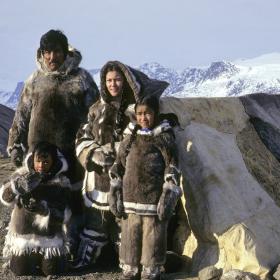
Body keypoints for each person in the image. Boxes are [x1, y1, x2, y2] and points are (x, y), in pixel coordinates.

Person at [7, 29, 99, 252]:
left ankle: (72, 245)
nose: (51, 58)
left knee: (72, 199)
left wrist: (95, 144)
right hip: (37, 155)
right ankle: (34, 246)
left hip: (71, 153)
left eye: (56, 51)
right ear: (41, 53)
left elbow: (96, 114)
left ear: (65, 53)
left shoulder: (81, 79)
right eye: (46, 52)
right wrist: (15, 144)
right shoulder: (34, 81)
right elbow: (22, 115)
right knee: (35, 197)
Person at [74, 61, 169, 269]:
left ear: (125, 81)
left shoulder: (138, 109)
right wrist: (93, 153)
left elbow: (146, 139)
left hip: (131, 177)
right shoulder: (96, 108)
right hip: (98, 178)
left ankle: (132, 263)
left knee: (127, 226)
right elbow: (82, 136)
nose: (113, 84)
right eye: (109, 80)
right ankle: (86, 261)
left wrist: (116, 150)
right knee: (95, 223)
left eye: (117, 79)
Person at [108, 96, 182, 280]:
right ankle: (130, 267)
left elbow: (172, 165)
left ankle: (151, 268)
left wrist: (168, 193)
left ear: (155, 114)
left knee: (153, 233)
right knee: (130, 232)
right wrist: (115, 188)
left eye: (147, 113)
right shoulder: (130, 136)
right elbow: (119, 163)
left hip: (152, 196)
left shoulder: (164, 136)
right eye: (139, 114)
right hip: (130, 195)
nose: (143, 118)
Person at [0, 142, 72, 276]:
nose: (41, 166)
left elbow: (66, 214)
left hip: (49, 240)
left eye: (46, 162)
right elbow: (5, 198)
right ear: (32, 159)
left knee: (54, 270)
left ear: (53, 161)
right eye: (38, 161)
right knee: (21, 270)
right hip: (24, 239)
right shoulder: (21, 175)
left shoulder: (61, 182)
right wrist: (17, 187)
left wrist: (45, 210)